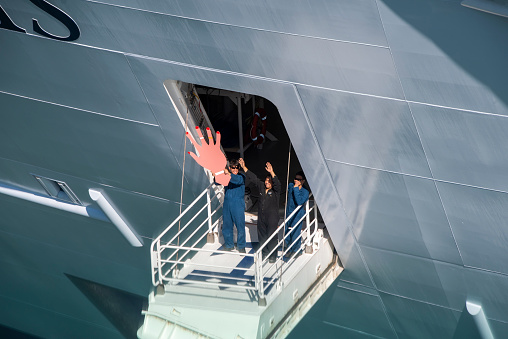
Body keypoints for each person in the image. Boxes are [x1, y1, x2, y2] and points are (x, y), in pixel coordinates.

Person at [239, 158, 281, 263]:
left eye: (269, 181)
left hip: (272, 217)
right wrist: (244, 167)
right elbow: (254, 178)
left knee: (271, 236)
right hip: (261, 216)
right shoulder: (262, 187)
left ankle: (273, 255)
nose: (267, 182)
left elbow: (277, 183)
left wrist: (271, 172)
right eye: (266, 181)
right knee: (261, 235)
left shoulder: (275, 191)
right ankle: (265, 252)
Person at [218, 159, 246, 253]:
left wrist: (228, 174)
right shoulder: (227, 176)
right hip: (227, 203)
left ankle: (241, 246)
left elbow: (237, 181)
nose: (235, 169)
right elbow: (217, 181)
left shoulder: (241, 176)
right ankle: (229, 245)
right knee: (227, 225)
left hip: (238, 204)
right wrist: (216, 173)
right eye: (233, 168)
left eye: (237, 168)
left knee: (240, 225)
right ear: (230, 168)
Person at [284, 171, 309, 256]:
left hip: (297, 214)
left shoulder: (305, 192)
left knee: (295, 232)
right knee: (287, 232)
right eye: (295, 178)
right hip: (289, 212)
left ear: (303, 181)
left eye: (299, 179)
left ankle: (296, 250)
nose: (296, 180)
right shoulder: (291, 185)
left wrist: (296, 189)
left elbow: (299, 202)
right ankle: (288, 249)